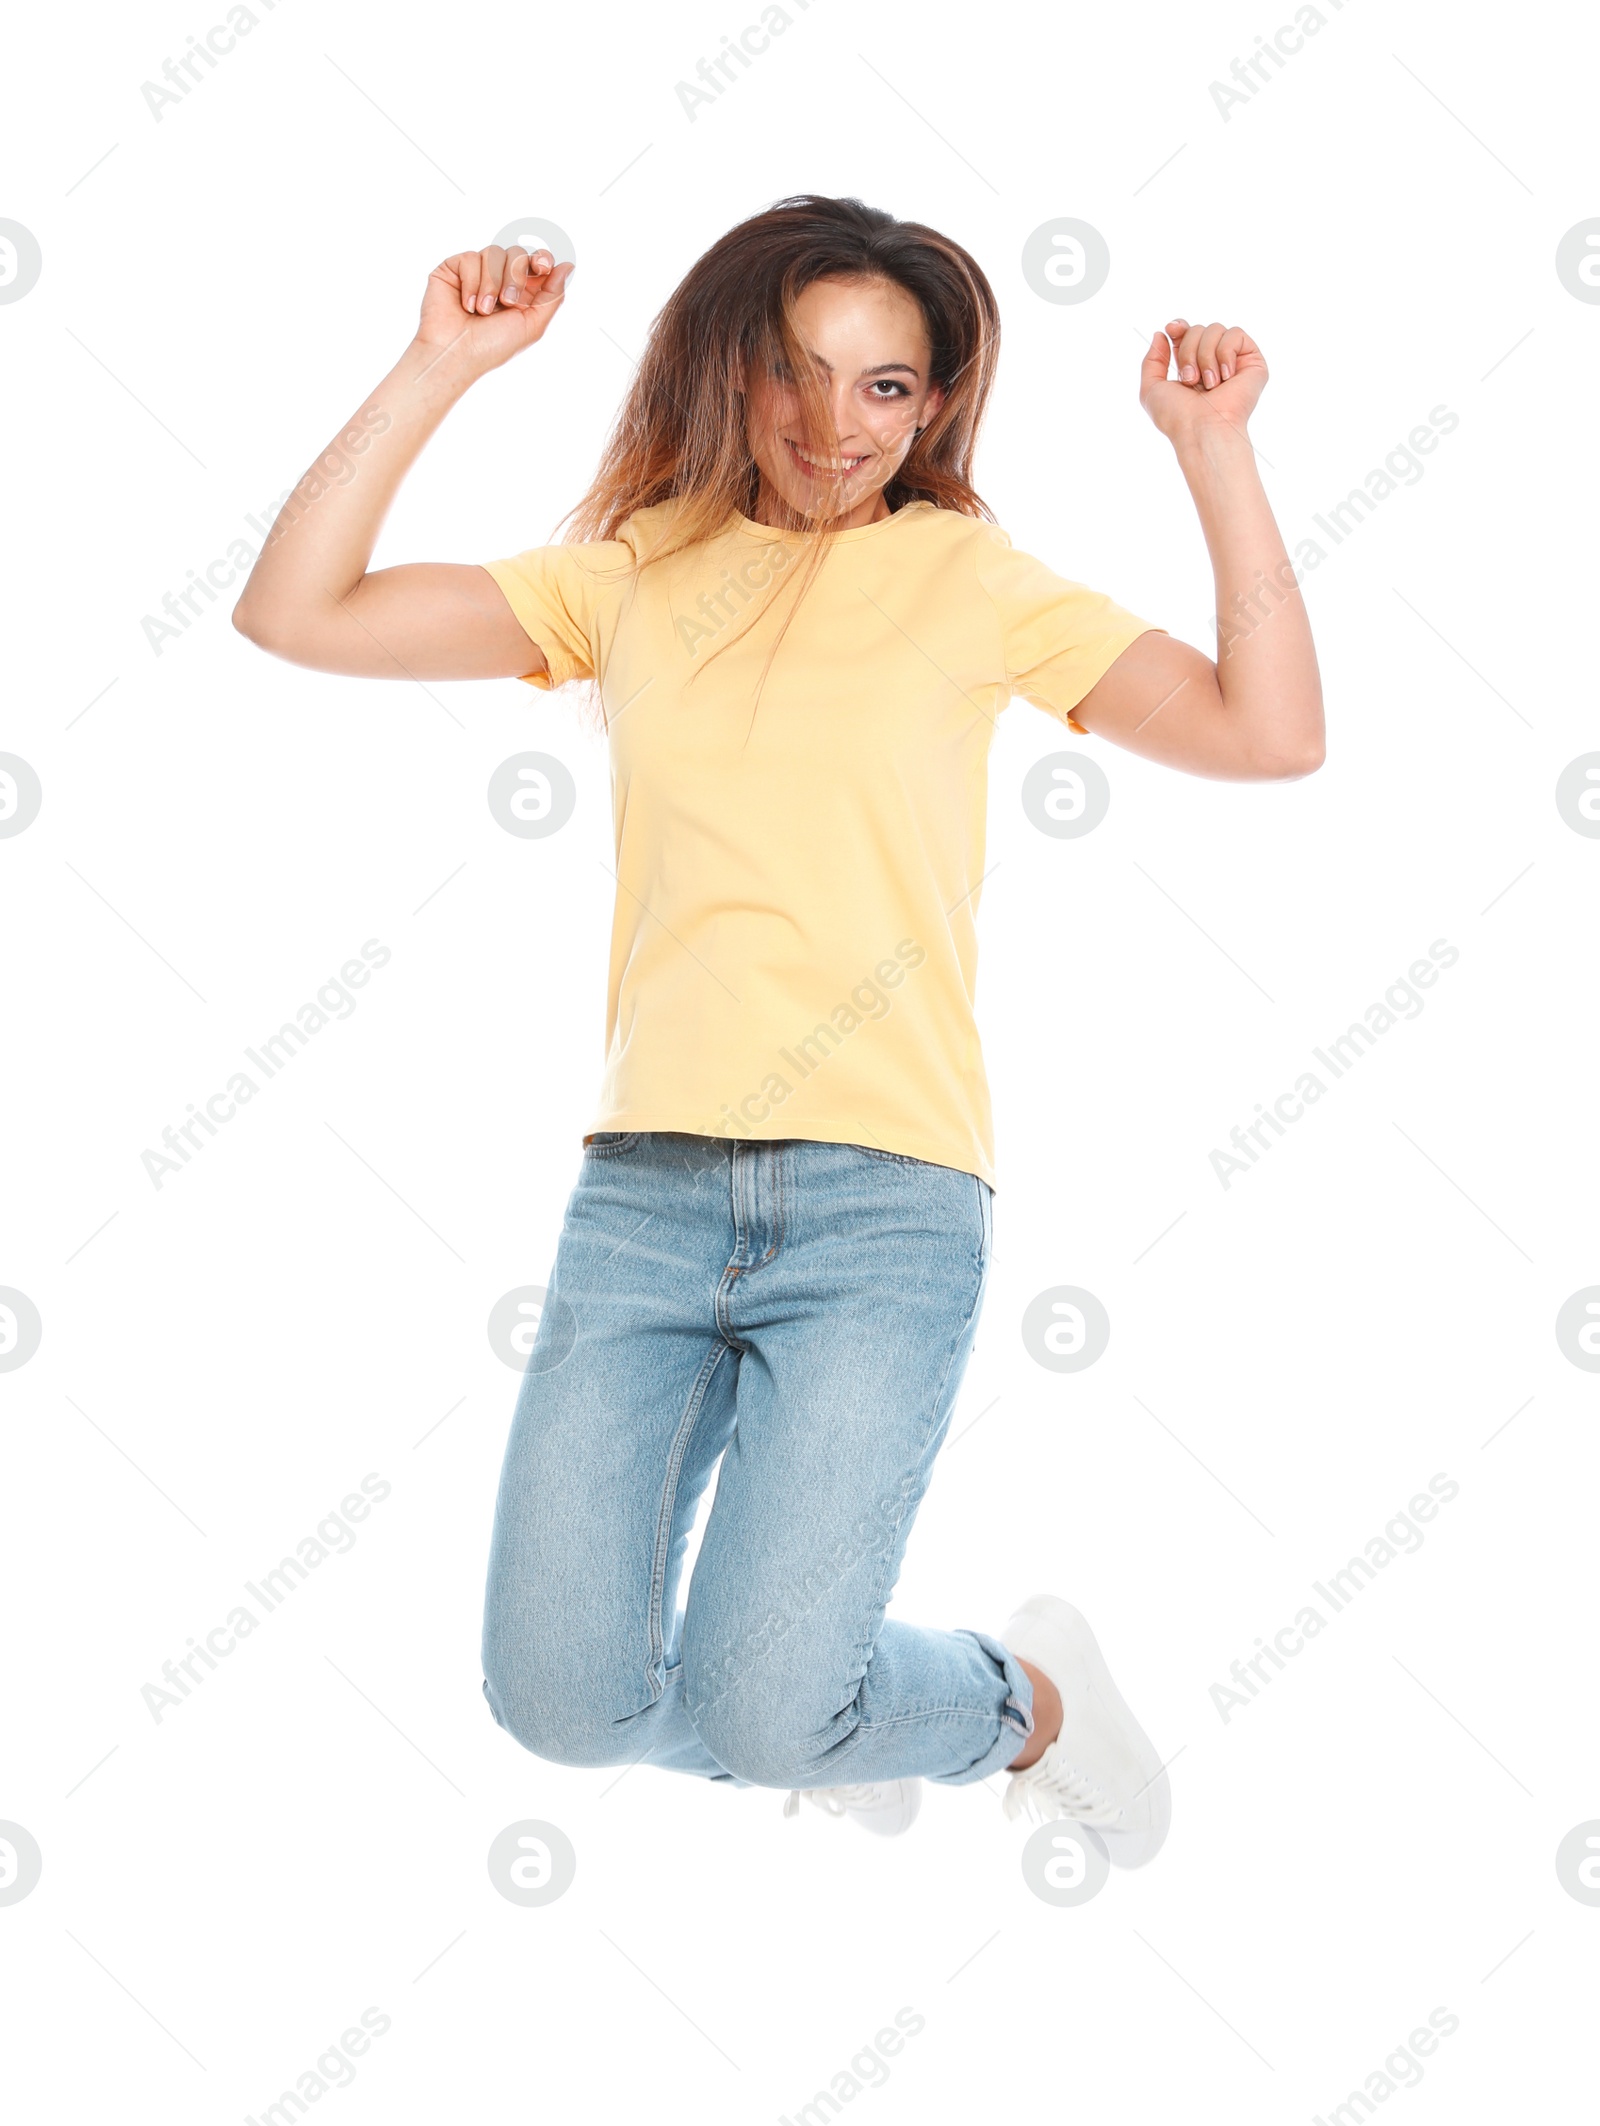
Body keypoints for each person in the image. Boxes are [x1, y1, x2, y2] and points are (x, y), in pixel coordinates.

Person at [233, 193, 1323, 1863]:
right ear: (727, 376)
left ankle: (1014, 1701)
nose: (836, 427)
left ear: (938, 408)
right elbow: (294, 611)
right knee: (563, 1703)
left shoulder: (971, 578)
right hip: (646, 1201)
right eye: (799, 376)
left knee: (760, 1701)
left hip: (883, 1205)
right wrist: (441, 359)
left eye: (889, 389)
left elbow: (1270, 734)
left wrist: (1212, 452)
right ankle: (817, 1714)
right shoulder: (631, 577)